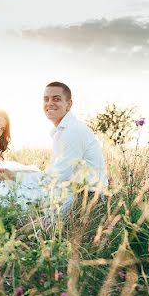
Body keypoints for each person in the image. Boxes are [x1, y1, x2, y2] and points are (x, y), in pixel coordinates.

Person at [43, 81, 108, 210]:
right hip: (76, 192)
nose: (49, 103)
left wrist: (18, 177)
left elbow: (58, 177)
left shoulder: (73, 130)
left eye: (56, 99)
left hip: (88, 199)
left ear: (68, 104)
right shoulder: (62, 131)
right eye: (46, 99)